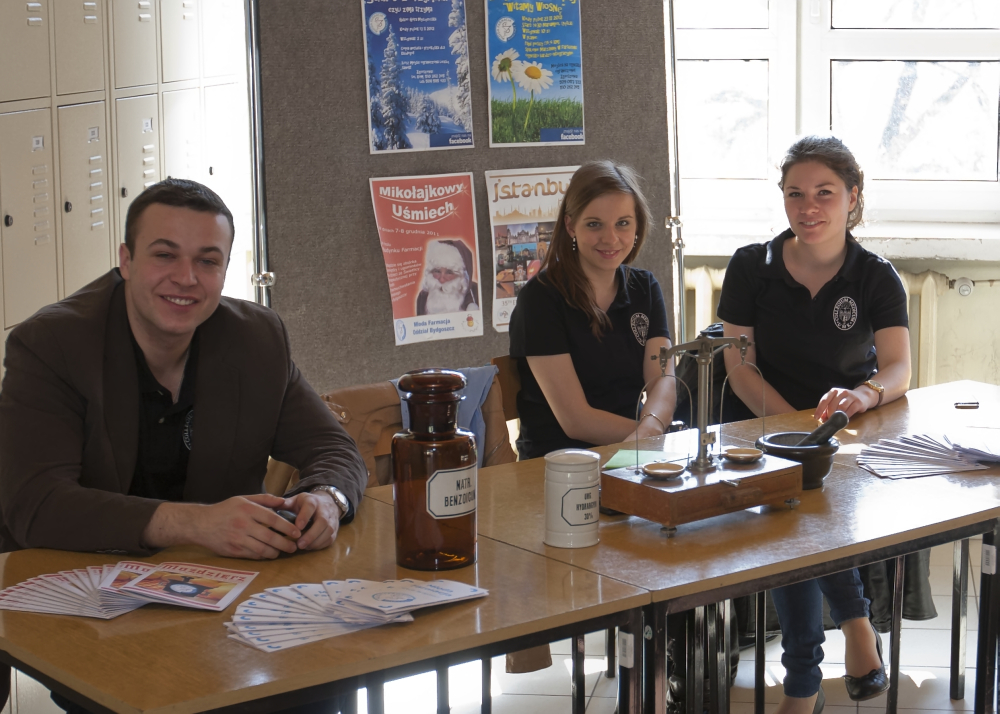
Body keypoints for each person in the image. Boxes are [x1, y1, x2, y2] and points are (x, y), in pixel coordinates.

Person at [718, 136, 911, 714]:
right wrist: (792, 431)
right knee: (788, 522)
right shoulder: (750, 266)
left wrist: (862, 394)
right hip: (763, 425)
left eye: (824, 193)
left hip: (843, 434)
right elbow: (739, 366)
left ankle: (803, 687)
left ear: (853, 196)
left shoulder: (876, 275)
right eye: (794, 194)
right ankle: (853, 629)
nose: (808, 207)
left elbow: (899, 368)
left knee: (802, 523)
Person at [508, 159, 676, 460]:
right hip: (559, 464)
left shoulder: (645, 287)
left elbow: (663, 379)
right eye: (594, 224)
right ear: (570, 225)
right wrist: (650, 436)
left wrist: (651, 428)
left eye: (623, 223)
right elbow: (576, 420)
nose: (610, 238)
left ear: (637, 225)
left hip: (633, 454)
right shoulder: (540, 299)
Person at [415, 239, 480, 314]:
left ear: (461, 275)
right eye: (437, 271)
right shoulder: (423, 296)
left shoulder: (476, 291)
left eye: (449, 272)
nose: (441, 280)